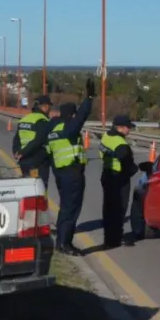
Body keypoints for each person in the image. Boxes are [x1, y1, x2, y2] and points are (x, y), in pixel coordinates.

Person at [47, 79, 95, 256]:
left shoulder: (53, 128)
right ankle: (65, 244)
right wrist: (89, 99)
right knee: (71, 209)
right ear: (71, 115)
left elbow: (49, 152)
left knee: (65, 208)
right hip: (72, 173)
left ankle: (60, 241)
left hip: (60, 172)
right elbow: (81, 117)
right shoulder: (69, 128)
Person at [99, 114, 138, 249]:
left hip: (107, 173)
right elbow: (128, 165)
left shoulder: (106, 136)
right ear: (120, 127)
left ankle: (108, 237)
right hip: (119, 178)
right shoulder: (121, 144)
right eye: (128, 128)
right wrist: (136, 169)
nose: (129, 130)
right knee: (119, 208)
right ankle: (115, 238)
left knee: (108, 208)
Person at [13, 95, 53, 189]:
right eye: (49, 106)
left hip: (24, 161)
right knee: (40, 189)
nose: (50, 109)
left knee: (28, 188)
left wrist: (16, 152)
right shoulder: (42, 120)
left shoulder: (24, 119)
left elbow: (16, 139)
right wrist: (23, 152)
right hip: (38, 161)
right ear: (45, 106)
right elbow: (39, 140)